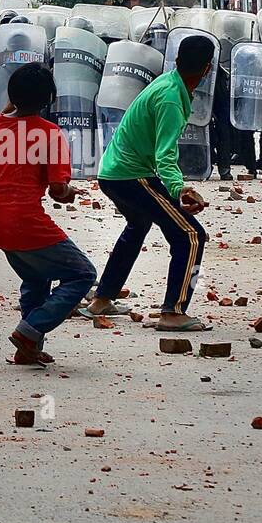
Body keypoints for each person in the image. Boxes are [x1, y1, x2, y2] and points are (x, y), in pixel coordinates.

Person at [84, 33, 213, 332]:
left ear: (177, 61)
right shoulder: (170, 97)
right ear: (207, 70)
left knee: (138, 225)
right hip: (131, 176)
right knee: (191, 235)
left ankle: (102, 300)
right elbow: (165, 155)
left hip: (115, 172)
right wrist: (180, 189)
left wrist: (174, 189)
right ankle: (173, 312)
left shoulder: (169, 83)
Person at [0, 63, 95, 367]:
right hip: (26, 217)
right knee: (83, 274)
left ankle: (28, 348)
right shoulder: (51, 134)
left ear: (11, 95)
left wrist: (8, 109)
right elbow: (56, 190)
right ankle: (31, 329)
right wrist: (70, 193)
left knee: (36, 277)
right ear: (47, 100)